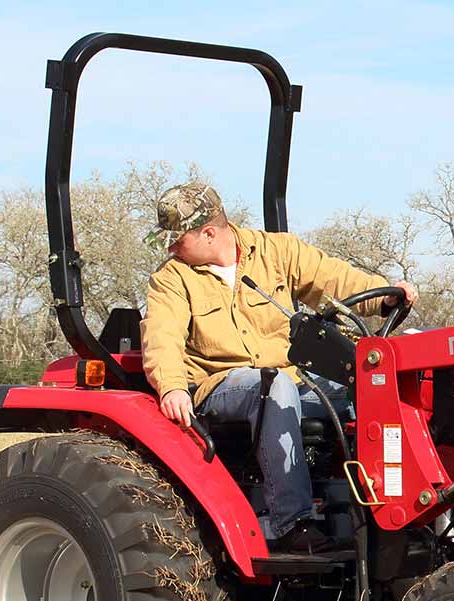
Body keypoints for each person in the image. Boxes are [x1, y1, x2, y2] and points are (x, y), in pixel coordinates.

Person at [140, 182, 415, 554]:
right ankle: (291, 522)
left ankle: (388, 509)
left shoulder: (276, 252)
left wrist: (385, 293)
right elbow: (162, 334)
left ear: (208, 233)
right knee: (276, 387)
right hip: (223, 384)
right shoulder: (173, 278)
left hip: (292, 377)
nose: (171, 247)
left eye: (176, 239)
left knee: (370, 384)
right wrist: (171, 385)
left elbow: (333, 278)